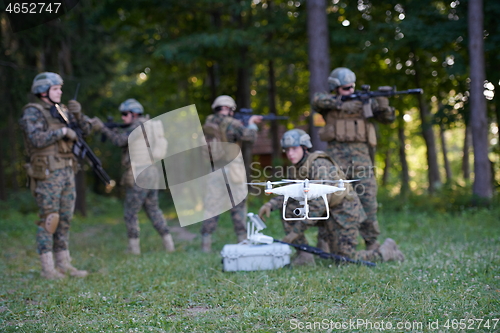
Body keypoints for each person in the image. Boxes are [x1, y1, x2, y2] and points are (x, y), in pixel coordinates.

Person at [258, 129, 404, 265]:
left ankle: (386, 251)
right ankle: (304, 254)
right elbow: (290, 192)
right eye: (287, 149)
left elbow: (319, 203)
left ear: (304, 148)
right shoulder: (296, 168)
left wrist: (295, 232)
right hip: (327, 212)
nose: (290, 153)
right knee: (290, 208)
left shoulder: (319, 165)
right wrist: (270, 205)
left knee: (345, 259)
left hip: (344, 211)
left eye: (294, 149)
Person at [312, 67, 396, 251]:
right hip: (336, 164)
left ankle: (372, 243)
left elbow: (388, 118)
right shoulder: (330, 103)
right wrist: (341, 104)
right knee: (331, 201)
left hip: (362, 164)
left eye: (351, 88)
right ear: (336, 88)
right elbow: (316, 100)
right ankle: (325, 242)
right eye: (345, 88)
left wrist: (383, 103)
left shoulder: (364, 103)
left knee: (368, 201)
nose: (350, 91)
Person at [19, 72, 90, 279]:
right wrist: (62, 133)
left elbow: (84, 131)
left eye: (60, 88)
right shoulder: (33, 112)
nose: (60, 92)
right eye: (56, 88)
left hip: (67, 171)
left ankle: (64, 263)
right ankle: (47, 268)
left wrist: (78, 115)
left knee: (65, 218)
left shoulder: (63, 111)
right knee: (50, 219)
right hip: (48, 173)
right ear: (43, 91)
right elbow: (36, 139)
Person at [90, 99, 175, 255]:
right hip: (151, 172)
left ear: (134, 114)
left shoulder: (137, 126)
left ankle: (134, 249)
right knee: (153, 209)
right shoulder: (147, 125)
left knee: (130, 212)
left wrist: (103, 128)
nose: (122, 117)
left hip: (140, 173)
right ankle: (169, 243)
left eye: (125, 114)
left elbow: (120, 141)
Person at [200, 95, 262, 252]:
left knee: (212, 206)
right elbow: (250, 137)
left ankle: (205, 244)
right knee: (238, 206)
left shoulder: (209, 123)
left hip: (214, 170)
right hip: (232, 170)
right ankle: (243, 242)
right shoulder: (232, 124)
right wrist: (252, 124)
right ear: (229, 109)